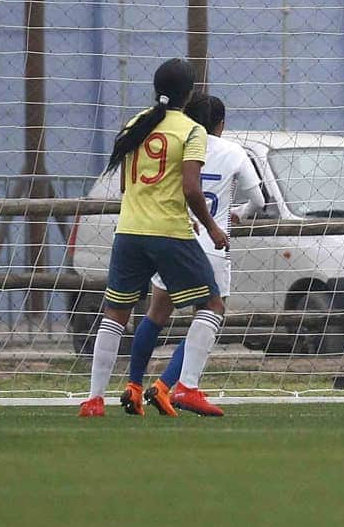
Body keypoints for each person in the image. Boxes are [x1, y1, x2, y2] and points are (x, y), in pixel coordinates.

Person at [78, 59, 229, 418]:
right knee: (212, 306)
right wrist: (210, 226)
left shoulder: (135, 124)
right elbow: (191, 188)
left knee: (116, 314)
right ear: (189, 92)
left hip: (129, 230)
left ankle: (94, 399)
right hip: (168, 231)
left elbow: (125, 183)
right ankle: (188, 387)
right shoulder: (191, 130)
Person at [127, 93, 265, 416]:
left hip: (173, 239)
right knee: (209, 314)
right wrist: (238, 213)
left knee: (156, 313)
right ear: (221, 124)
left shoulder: (177, 147)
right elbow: (259, 200)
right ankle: (178, 386)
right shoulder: (233, 152)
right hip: (211, 248)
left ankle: (135, 386)